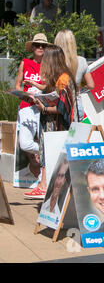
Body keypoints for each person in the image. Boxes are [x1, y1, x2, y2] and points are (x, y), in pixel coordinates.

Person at [26, 45, 79, 199]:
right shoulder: (62, 77)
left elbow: (62, 108)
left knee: (58, 161)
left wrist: (43, 108)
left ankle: (53, 192)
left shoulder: (64, 79)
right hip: (57, 127)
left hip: (60, 128)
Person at [15, 34, 50, 198]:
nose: (40, 48)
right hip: (26, 107)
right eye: (37, 45)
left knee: (42, 138)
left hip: (42, 107)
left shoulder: (49, 65)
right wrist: (23, 94)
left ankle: (42, 181)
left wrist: (36, 88)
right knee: (24, 144)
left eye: (43, 46)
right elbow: (17, 85)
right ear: (33, 47)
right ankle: (49, 151)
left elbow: (48, 87)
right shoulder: (25, 62)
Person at [54, 29, 95, 121]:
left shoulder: (54, 61)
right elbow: (91, 85)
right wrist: (79, 85)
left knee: (57, 134)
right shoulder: (81, 61)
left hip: (58, 104)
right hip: (76, 105)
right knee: (73, 134)